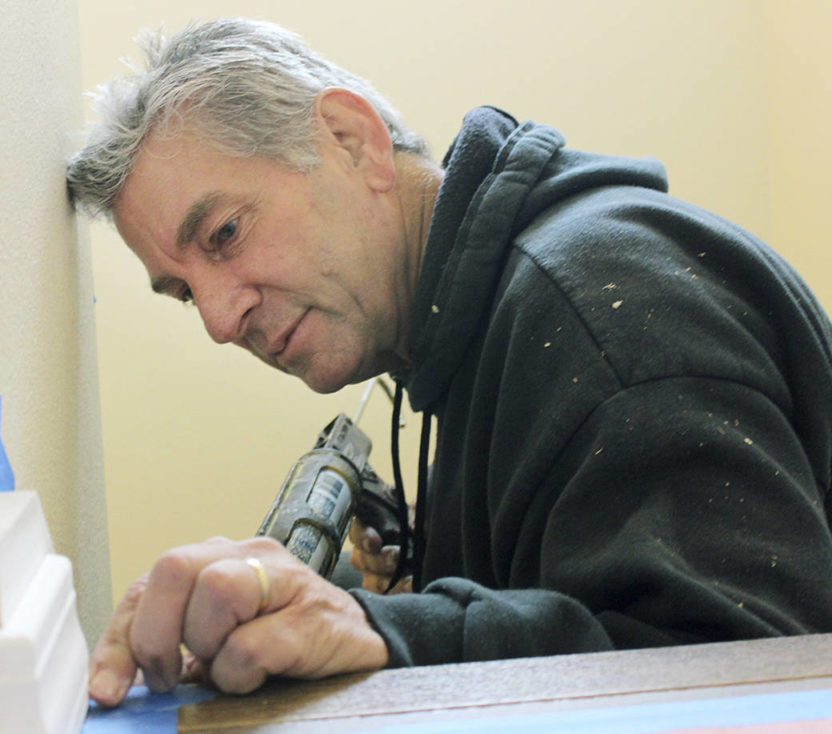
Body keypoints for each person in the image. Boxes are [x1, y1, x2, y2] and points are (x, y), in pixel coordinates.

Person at [67, 18, 832, 703]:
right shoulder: (466, 341)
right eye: (181, 292)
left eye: (226, 233)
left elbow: (745, 686)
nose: (219, 319)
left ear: (350, 139)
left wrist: (390, 632)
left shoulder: (599, 312)